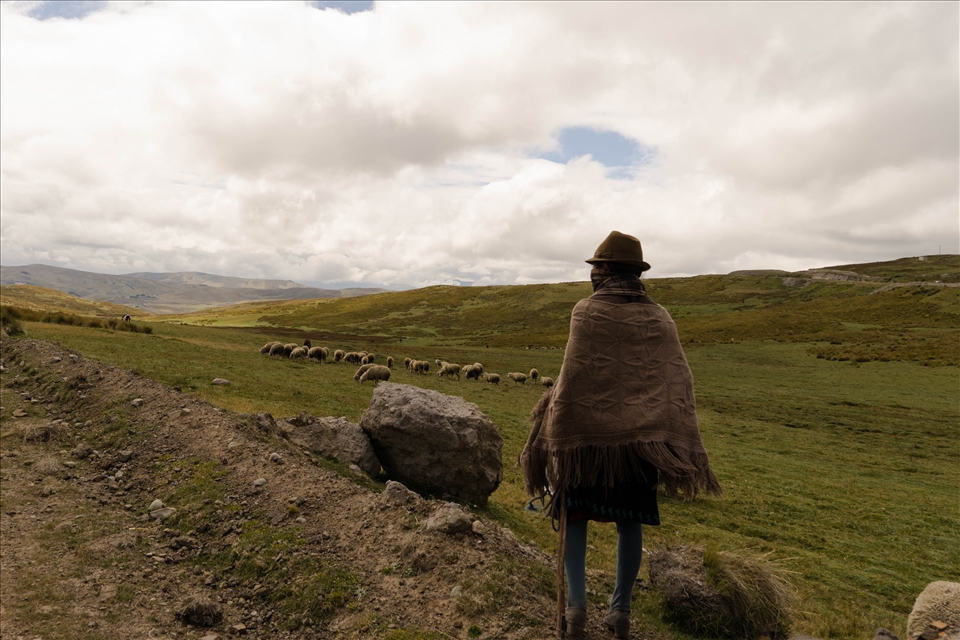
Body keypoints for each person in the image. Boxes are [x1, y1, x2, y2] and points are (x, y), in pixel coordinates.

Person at [521, 230, 722, 639]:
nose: (592, 275)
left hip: (587, 447)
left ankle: (575, 609)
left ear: (608, 270)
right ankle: (621, 612)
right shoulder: (660, 317)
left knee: (574, 518)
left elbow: (573, 379)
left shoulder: (586, 312)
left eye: (597, 268)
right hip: (637, 449)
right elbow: (675, 379)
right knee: (630, 522)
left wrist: (554, 411)